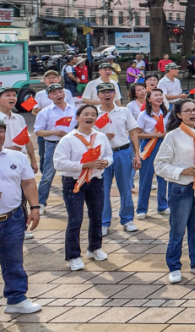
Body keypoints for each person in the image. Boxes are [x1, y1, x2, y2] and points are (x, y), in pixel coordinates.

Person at [155, 99, 195, 283]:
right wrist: (181, 171)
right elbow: (159, 165)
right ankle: (174, 266)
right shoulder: (172, 136)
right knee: (178, 229)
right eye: (188, 110)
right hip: (181, 187)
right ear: (179, 115)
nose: (193, 113)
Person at [54, 104, 113, 270]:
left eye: (93, 114)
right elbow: (58, 163)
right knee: (75, 219)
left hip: (95, 180)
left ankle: (95, 248)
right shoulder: (68, 139)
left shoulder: (100, 137)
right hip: (74, 182)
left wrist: (106, 162)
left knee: (97, 216)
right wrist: (83, 165)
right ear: (78, 117)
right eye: (86, 114)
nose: (90, 117)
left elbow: (109, 155)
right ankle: (73, 255)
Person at [0, 117, 42, 314]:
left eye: (1, 131)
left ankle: (16, 299)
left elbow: (28, 183)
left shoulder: (16, 157)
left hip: (12, 217)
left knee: (14, 260)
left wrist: (34, 207)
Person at [94, 83, 141, 236]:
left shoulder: (124, 111)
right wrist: (102, 137)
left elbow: (133, 133)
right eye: (103, 92)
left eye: (109, 92)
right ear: (98, 95)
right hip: (102, 155)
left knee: (126, 187)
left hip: (122, 152)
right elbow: (86, 135)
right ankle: (104, 222)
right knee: (103, 189)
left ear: (115, 94)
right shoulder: (93, 113)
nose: (106, 95)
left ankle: (127, 219)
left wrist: (137, 155)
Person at [34, 84, 78, 210]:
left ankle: (71, 198)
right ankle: (41, 203)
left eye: (60, 92)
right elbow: (38, 131)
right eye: (54, 93)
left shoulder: (73, 110)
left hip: (70, 144)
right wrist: (54, 132)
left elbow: (79, 127)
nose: (58, 95)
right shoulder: (45, 112)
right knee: (48, 175)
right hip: (52, 144)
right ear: (49, 97)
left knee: (72, 173)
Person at [135, 89, 169, 219]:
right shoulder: (143, 115)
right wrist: (153, 134)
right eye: (156, 95)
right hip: (148, 146)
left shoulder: (166, 114)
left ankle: (162, 206)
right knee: (146, 178)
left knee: (163, 177)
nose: (159, 97)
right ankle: (142, 209)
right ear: (149, 99)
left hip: (163, 145)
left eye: (161, 95)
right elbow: (137, 133)